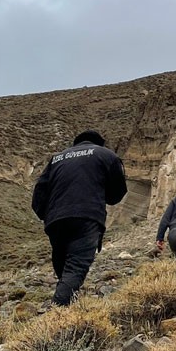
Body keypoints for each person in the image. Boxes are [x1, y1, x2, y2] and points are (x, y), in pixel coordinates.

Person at [31, 130, 127, 306]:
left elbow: (39, 191)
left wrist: (46, 214)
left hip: (55, 219)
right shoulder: (106, 155)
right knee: (76, 265)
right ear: (99, 143)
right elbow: (117, 193)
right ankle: (58, 311)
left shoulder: (57, 158)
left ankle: (68, 302)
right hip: (87, 216)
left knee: (62, 263)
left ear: (76, 143)